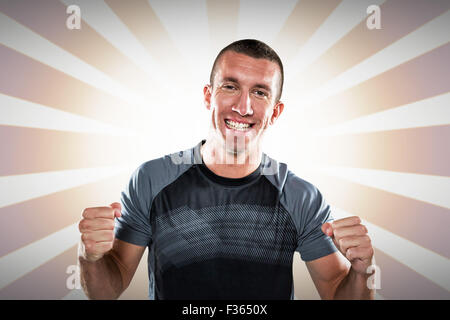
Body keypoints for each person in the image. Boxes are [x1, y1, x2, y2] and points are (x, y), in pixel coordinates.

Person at [78, 39, 375, 300]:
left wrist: (361, 272)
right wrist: (91, 257)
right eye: (230, 86)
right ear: (208, 95)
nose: (243, 107)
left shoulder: (300, 196)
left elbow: (338, 292)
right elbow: (105, 292)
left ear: (275, 111)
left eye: (260, 93)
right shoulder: (152, 179)